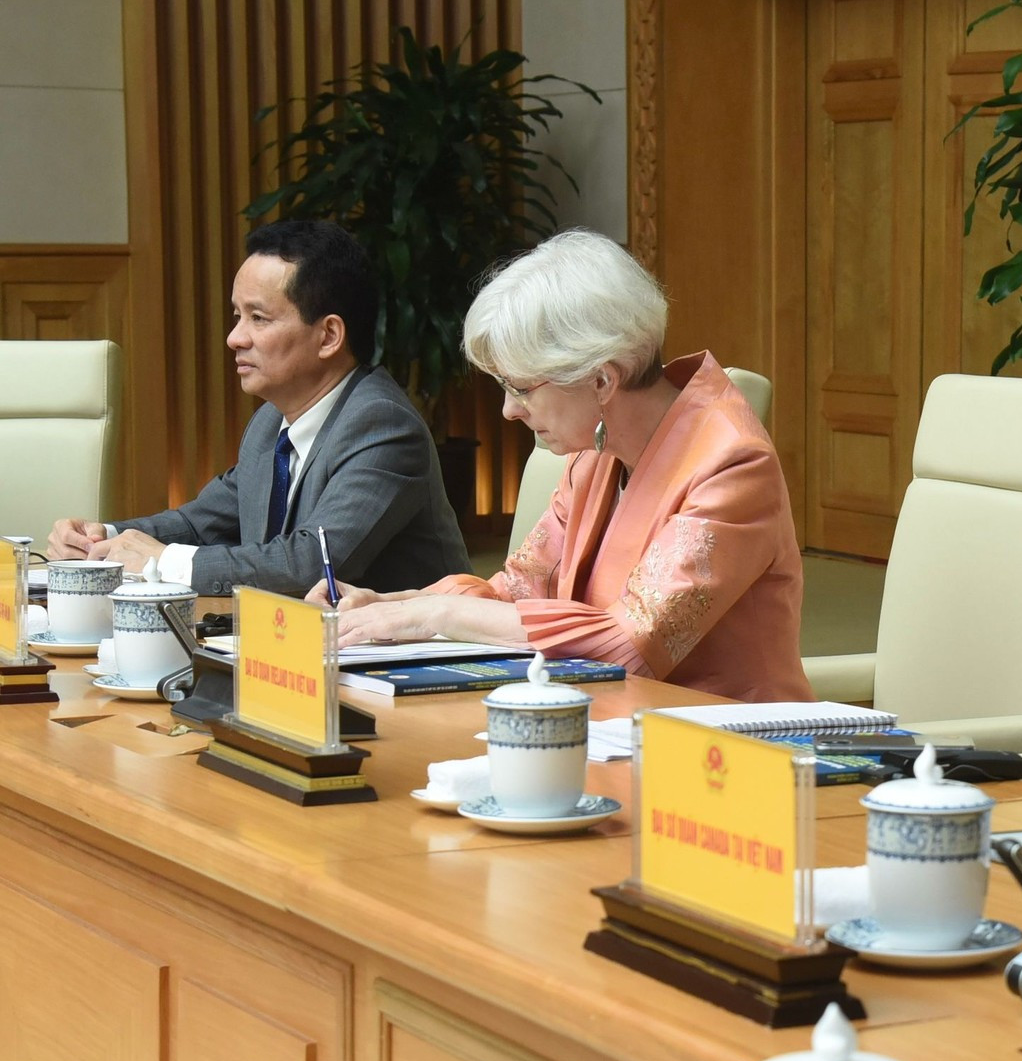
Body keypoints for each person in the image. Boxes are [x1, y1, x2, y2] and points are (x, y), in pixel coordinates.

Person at [321, 229, 812, 704]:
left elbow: (630, 645)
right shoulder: (596, 450)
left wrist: (438, 614)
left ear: (601, 380)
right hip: (613, 718)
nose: (508, 411)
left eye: (520, 388)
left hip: (725, 737)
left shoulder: (731, 463)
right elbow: (519, 592)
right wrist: (392, 606)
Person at [45, 220, 469, 595]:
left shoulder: (383, 425)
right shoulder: (271, 421)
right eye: (237, 316)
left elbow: (313, 564)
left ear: (328, 336)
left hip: (403, 653)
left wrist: (163, 561)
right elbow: (200, 524)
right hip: (304, 644)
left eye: (258, 318)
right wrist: (103, 538)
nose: (235, 338)